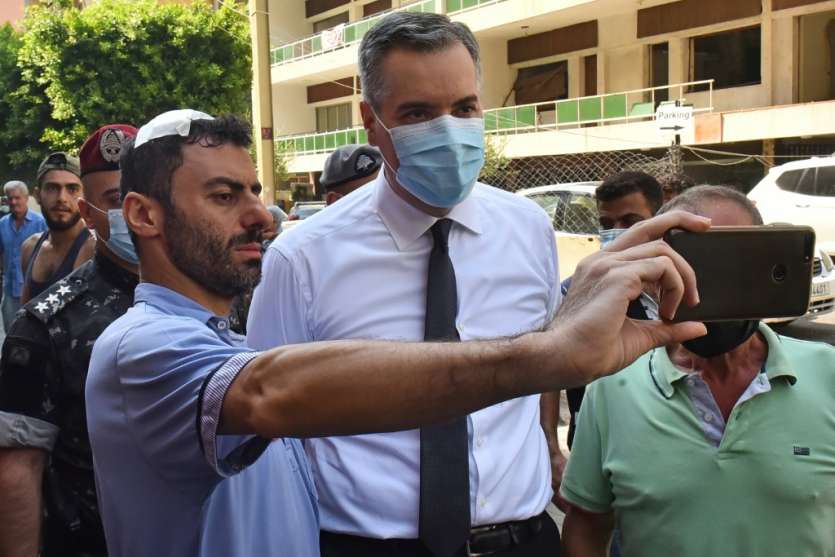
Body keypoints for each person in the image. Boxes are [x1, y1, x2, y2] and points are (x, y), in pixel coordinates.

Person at [84, 108, 707, 557]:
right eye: (224, 197)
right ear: (143, 214)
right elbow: (271, 391)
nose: (259, 216)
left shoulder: (221, 339)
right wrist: (548, 353)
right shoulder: (142, 347)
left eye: (254, 191)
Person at [249, 13, 570, 556]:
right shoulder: (302, 259)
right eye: (418, 113)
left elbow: (541, 364)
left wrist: (548, 447)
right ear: (370, 121)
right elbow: (266, 420)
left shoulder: (528, 229)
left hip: (522, 540)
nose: (449, 132)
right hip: (367, 545)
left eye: (464, 108)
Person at [560, 185, 835, 557]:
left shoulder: (827, 372)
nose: (714, 284)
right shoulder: (612, 388)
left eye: (737, 261)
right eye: (698, 263)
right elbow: (586, 527)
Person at [0, 124, 139, 557]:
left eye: (69, 187)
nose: (60, 198)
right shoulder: (37, 262)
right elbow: (18, 466)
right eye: (114, 200)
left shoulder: (213, 289)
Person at [561, 171, 664, 449]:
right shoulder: (577, 291)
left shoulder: (683, 289)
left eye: (630, 221)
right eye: (606, 224)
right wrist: (550, 441)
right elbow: (551, 372)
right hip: (595, 440)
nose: (617, 231)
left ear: (658, 220)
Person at [20, 152, 95, 304]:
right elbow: (24, 311)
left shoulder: (97, 249)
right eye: (52, 188)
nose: (62, 198)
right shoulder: (30, 247)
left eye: (72, 189)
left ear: (85, 196)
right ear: (37, 195)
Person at [0, 180, 46, 330]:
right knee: (10, 332)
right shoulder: (2, 224)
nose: (13, 202)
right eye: (10, 198)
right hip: (9, 290)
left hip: (34, 291)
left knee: (33, 333)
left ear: (26, 198)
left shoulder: (41, 223)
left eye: (17, 197)